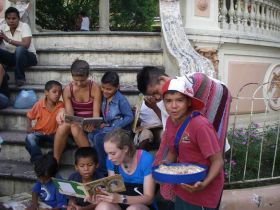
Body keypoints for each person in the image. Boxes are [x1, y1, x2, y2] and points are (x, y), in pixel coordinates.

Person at [159, 77, 224, 210]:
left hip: (203, 191)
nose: (174, 106)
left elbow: (218, 161)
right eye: (168, 101)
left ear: (189, 102)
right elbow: (173, 150)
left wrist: (204, 184)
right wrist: (166, 164)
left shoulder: (199, 125)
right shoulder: (171, 122)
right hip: (183, 186)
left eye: (179, 100)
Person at [137, 66, 231, 152]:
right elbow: (170, 128)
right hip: (190, 149)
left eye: (156, 92)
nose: (156, 97)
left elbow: (220, 90)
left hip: (212, 144)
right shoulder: (164, 102)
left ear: (162, 79)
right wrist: (154, 107)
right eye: (152, 95)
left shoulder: (190, 81)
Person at [88, 128, 156, 210]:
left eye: (113, 153)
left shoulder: (145, 159)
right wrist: (99, 198)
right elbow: (113, 191)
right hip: (119, 202)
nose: (109, 158)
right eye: (107, 153)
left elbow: (149, 198)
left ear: (125, 149)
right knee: (103, 207)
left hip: (141, 204)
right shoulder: (112, 161)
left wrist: (121, 198)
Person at [53, 59, 102, 162]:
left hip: (90, 125)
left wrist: (92, 124)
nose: (79, 84)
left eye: (83, 80)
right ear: (71, 76)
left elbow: (96, 114)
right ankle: (55, 161)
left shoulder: (95, 88)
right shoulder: (67, 90)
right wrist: (63, 111)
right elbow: (70, 115)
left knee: (74, 127)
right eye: (76, 80)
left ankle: (91, 160)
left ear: (88, 76)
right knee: (66, 126)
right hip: (76, 124)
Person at [88, 71, 134, 176]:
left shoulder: (120, 100)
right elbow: (108, 117)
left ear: (117, 87)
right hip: (108, 129)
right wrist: (103, 123)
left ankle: (103, 170)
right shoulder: (104, 98)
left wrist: (115, 126)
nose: (105, 91)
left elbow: (130, 117)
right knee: (91, 134)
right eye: (103, 88)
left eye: (109, 89)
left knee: (99, 138)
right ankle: (102, 162)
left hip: (121, 131)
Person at [25, 80, 64, 163]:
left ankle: (50, 157)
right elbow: (29, 116)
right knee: (29, 138)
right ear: (46, 92)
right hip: (40, 133)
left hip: (54, 135)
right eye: (54, 92)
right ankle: (38, 160)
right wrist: (29, 126)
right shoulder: (39, 104)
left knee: (65, 142)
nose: (57, 94)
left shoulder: (61, 105)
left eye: (60, 92)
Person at [0, 7, 37, 86]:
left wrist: (8, 40)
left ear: (19, 18)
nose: (11, 21)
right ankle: (3, 74)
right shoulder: (2, 27)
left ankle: (20, 78)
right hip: (13, 58)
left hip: (29, 57)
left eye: (14, 18)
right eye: (8, 18)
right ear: (5, 19)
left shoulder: (24, 26)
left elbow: (26, 45)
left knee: (20, 49)